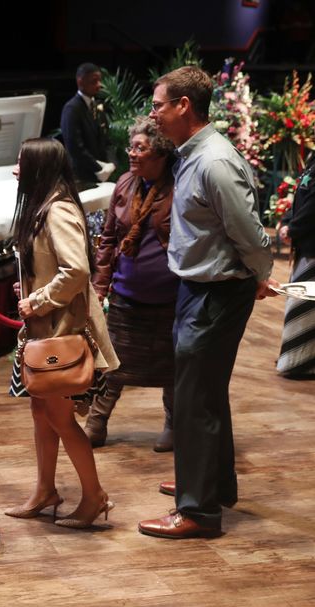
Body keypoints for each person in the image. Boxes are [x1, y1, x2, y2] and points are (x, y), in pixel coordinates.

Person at [138, 66, 278, 540]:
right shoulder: (189, 154)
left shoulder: (214, 160)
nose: (153, 113)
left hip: (217, 291)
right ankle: (211, 483)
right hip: (199, 288)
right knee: (205, 391)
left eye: (159, 104)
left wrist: (261, 274)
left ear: (183, 106)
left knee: (195, 398)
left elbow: (251, 233)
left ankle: (198, 510)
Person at [5, 137, 120, 529]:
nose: (15, 170)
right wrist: (34, 286)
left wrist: (38, 300)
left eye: (21, 163)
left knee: (59, 416)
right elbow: (58, 269)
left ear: (38, 167)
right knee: (42, 412)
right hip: (48, 331)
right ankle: (45, 490)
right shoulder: (44, 208)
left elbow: (77, 271)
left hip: (62, 332)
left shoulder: (57, 211)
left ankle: (95, 496)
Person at [86, 117, 178, 452]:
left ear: (161, 152)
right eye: (131, 147)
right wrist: (100, 284)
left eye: (141, 148)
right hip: (126, 294)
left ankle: (172, 423)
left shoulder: (178, 185)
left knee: (173, 366)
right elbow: (109, 238)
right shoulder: (125, 184)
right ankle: (96, 422)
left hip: (171, 297)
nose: (132, 154)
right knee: (114, 364)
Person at [277, 155, 315, 377]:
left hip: (312, 247)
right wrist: (288, 221)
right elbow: (302, 194)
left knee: (306, 303)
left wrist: (293, 229)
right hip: (306, 246)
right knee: (301, 301)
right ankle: (295, 356)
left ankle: (301, 361)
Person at [60, 63, 114, 186]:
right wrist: (99, 168)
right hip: (80, 176)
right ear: (80, 82)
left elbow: (107, 140)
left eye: (99, 80)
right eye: (94, 81)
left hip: (99, 175)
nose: (99, 85)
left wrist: (111, 163)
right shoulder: (72, 109)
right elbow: (75, 147)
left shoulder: (97, 107)